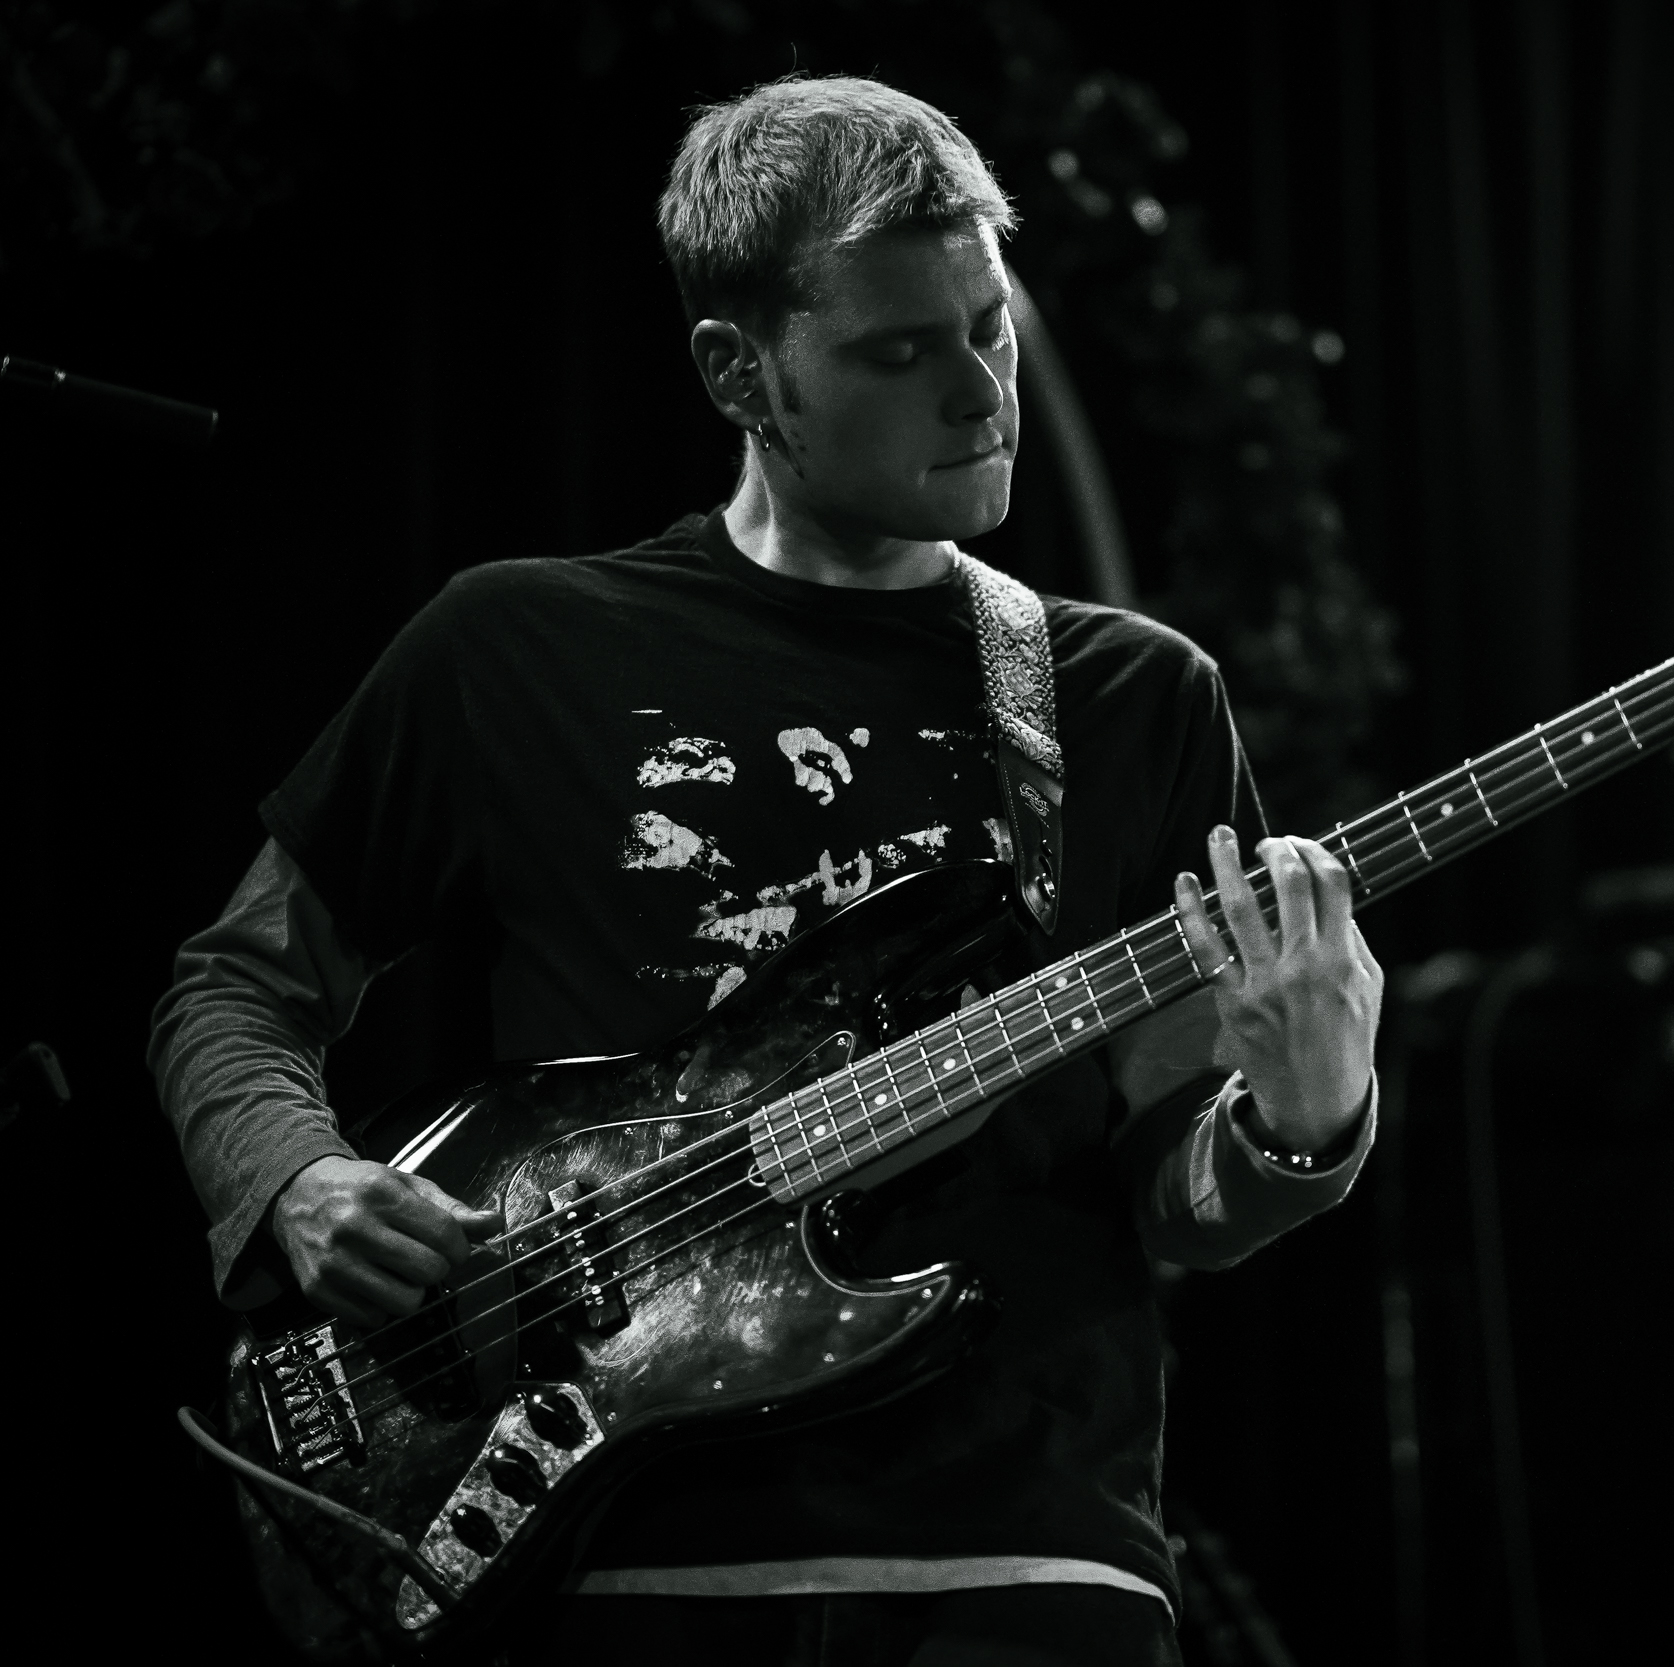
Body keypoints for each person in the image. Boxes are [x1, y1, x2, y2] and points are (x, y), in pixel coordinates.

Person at [150, 75, 1382, 1667]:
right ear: (740, 371)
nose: (981, 392)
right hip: (623, 1563)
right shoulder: (516, 645)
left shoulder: (1134, 696)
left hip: (1027, 1567)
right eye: (900, 352)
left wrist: (1303, 1123)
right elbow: (234, 985)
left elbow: (1173, 1195)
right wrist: (293, 1179)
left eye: (989, 328)